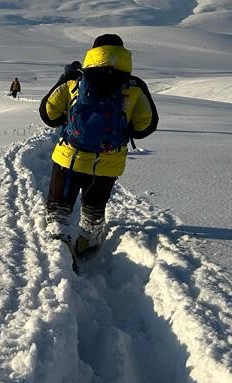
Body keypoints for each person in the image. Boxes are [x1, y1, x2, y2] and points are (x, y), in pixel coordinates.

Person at [38, 34, 158, 255]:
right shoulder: (134, 85)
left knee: (60, 208)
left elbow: (48, 114)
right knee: (93, 209)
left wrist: (63, 80)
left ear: (94, 53)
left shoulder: (75, 80)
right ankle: (87, 243)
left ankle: (58, 247)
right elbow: (146, 126)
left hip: (69, 157)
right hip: (108, 162)